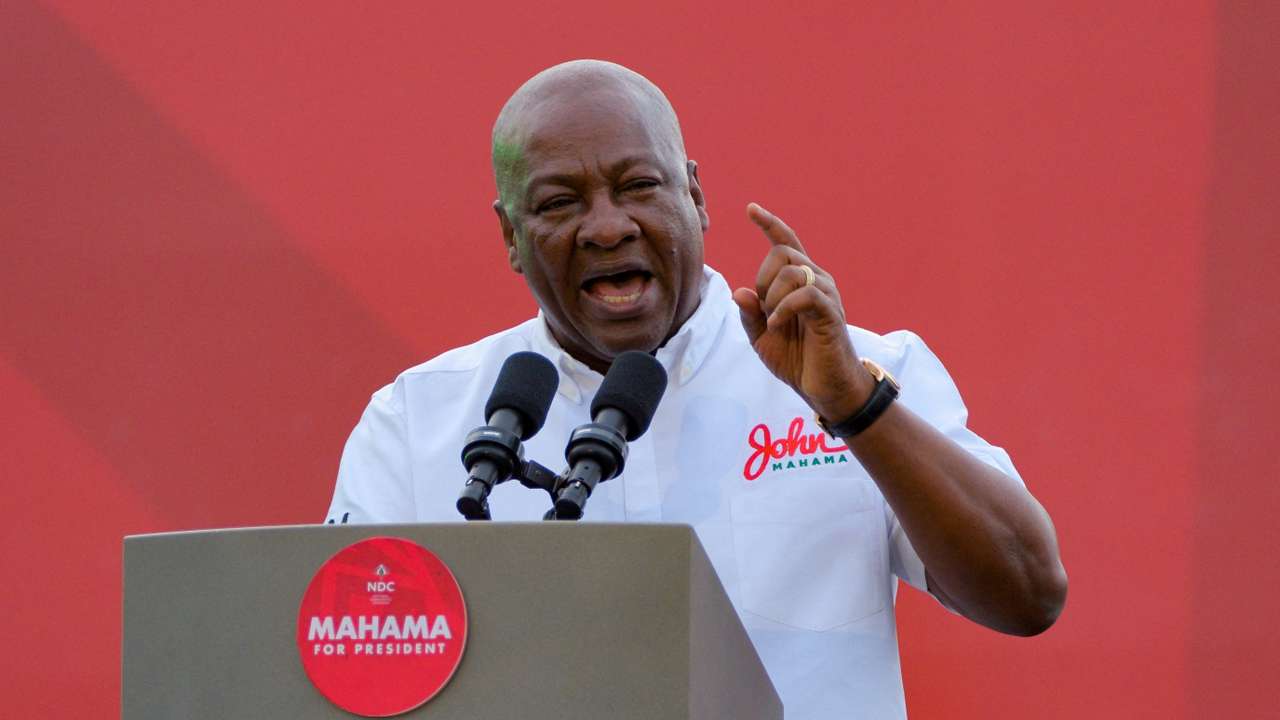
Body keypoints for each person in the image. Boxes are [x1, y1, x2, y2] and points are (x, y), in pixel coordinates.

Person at [327, 59, 1067, 718]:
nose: (607, 227)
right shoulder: (415, 422)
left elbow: (1028, 592)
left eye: (639, 186)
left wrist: (855, 408)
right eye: (558, 203)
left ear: (696, 194)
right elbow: (340, 679)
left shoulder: (861, 370)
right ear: (511, 237)